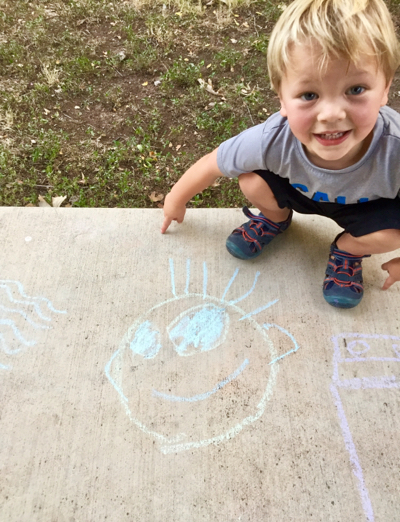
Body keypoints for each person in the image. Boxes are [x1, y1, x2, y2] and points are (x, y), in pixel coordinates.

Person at [161, 0, 400, 309]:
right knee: (251, 180)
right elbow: (214, 163)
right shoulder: (273, 138)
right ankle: (276, 219)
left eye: (355, 89)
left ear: (385, 88)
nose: (331, 113)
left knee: (393, 233)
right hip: (298, 191)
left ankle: (348, 250)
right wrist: (176, 199)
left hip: (368, 207)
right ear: (282, 99)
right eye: (309, 95)